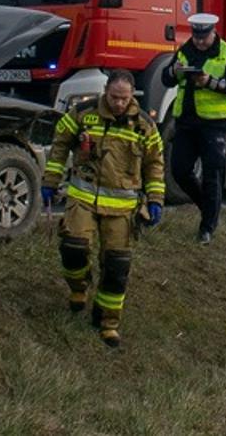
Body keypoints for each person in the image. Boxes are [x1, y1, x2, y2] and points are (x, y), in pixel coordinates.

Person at [42, 70, 165, 348]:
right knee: (73, 248)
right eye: (114, 97)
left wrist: (155, 200)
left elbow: (154, 165)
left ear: (132, 96)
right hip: (83, 198)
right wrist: (50, 179)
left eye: (124, 98)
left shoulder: (144, 126)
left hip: (122, 210)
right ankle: (78, 288)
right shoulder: (83, 114)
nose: (119, 103)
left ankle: (108, 322)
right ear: (105, 92)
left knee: (116, 267)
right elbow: (60, 143)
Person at [160, 13, 226, 244]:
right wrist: (174, 72)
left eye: (203, 37)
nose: (199, 41)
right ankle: (207, 206)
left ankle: (207, 228)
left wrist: (210, 82)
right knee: (179, 170)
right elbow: (165, 79)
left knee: (212, 174)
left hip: (213, 124)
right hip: (186, 122)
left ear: (213, 32)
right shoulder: (184, 51)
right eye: (196, 36)